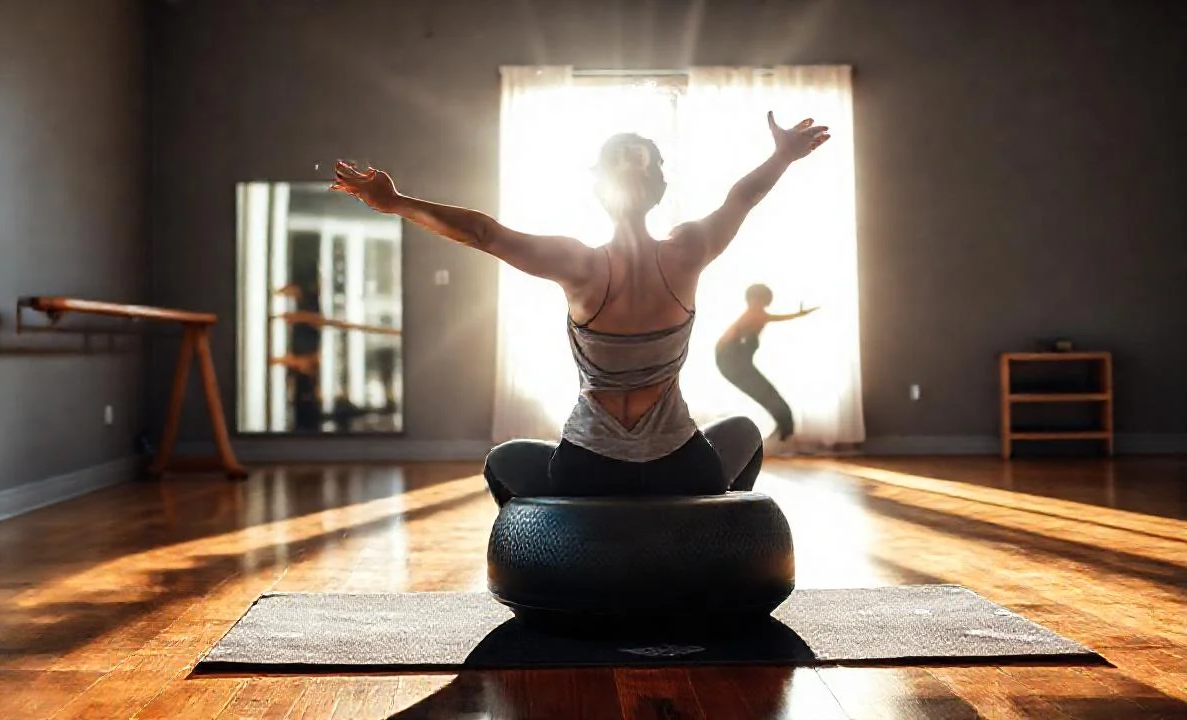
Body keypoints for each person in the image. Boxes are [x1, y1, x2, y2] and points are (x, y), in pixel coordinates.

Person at [331, 111, 830, 505]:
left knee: (503, 460)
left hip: (588, 468)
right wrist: (783, 156)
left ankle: (554, 562)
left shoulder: (579, 265)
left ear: (600, 191)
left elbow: (483, 233)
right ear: (659, 189)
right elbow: (742, 198)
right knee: (744, 431)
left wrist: (396, 202)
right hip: (680, 467)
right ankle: (713, 539)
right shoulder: (688, 250)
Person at [716, 285, 819, 442]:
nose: (756, 304)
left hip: (736, 363)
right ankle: (785, 432)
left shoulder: (758, 315)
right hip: (733, 364)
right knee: (769, 396)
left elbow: (778, 318)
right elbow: (726, 342)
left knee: (770, 396)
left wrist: (799, 314)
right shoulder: (750, 316)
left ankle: (784, 432)